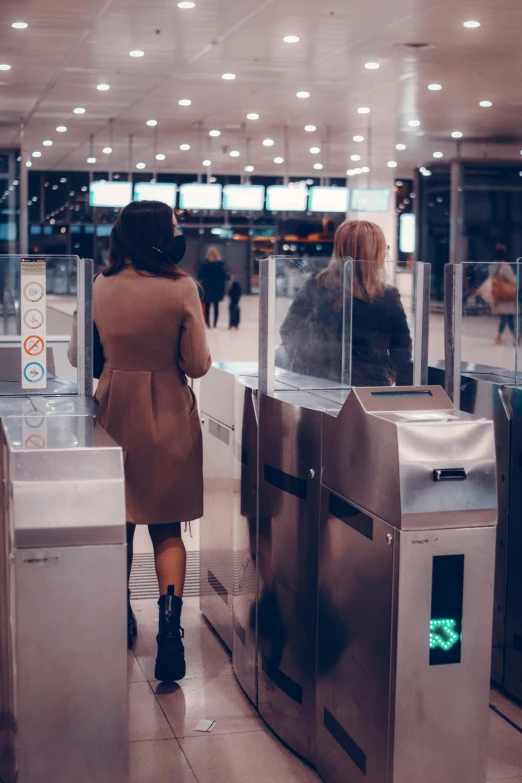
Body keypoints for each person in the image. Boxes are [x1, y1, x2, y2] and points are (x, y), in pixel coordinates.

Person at [69, 200, 211, 682]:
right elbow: (197, 364)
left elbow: (75, 354)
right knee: (166, 527)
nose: (178, 234)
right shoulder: (181, 288)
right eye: (173, 227)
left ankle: (120, 615)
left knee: (121, 523)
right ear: (157, 234)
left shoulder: (101, 285)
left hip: (112, 411)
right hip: (168, 412)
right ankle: (170, 633)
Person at [278, 220, 412, 386]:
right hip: (367, 387)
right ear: (374, 253)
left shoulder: (316, 285)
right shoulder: (385, 296)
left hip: (317, 382)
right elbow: (402, 351)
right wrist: (388, 372)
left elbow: (289, 330)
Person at [198, 246, 229, 328]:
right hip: (217, 288)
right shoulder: (219, 265)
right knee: (216, 307)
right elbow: (225, 276)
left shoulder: (204, 265)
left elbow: (199, 275)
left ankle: (208, 324)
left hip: (207, 287)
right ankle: (215, 324)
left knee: (207, 307)